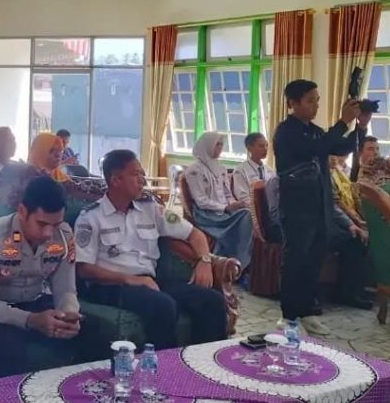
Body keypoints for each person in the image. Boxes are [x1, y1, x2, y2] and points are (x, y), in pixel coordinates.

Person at [76, 149, 228, 348]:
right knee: (163, 306)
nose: (142, 179)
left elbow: (195, 234)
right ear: (115, 180)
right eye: (135, 174)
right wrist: (130, 279)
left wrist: (205, 261)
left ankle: (203, 361)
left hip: (150, 281)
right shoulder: (90, 217)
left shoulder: (151, 209)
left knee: (212, 301)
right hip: (111, 286)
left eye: (142, 173)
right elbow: (84, 269)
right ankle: (168, 365)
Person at [273, 79, 362, 337]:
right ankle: (288, 314)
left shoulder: (314, 130)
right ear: (293, 103)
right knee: (296, 259)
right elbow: (316, 149)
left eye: (317, 100)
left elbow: (341, 147)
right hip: (297, 207)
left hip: (320, 204)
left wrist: (360, 125)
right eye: (310, 100)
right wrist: (343, 121)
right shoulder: (286, 131)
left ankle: (308, 311)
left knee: (314, 259)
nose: (315, 106)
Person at [0, 176, 80, 379]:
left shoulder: (64, 235)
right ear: (22, 211)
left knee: (94, 332)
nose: (49, 233)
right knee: (6, 348)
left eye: (56, 224)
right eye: (42, 224)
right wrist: (30, 320)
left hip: (38, 303)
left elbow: (65, 290)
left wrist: (68, 316)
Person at [183, 133, 253, 270]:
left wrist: (234, 204)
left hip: (223, 211)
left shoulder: (220, 168)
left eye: (221, 145)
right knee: (245, 218)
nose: (220, 148)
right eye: (217, 145)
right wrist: (225, 208)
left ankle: (238, 262)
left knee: (246, 213)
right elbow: (201, 201)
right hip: (206, 214)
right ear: (207, 145)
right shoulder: (194, 170)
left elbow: (227, 193)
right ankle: (234, 262)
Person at [327, 155, 372, 309]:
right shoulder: (319, 175)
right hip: (317, 225)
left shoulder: (336, 174)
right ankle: (346, 293)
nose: (334, 159)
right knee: (354, 240)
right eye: (330, 155)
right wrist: (351, 223)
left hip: (331, 222)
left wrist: (352, 223)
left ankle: (357, 288)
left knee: (359, 236)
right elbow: (332, 205)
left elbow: (336, 205)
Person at [231, 132, 275, 205]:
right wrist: (258, 207)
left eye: (266, 145)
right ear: (249, 148)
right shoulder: (240, 170)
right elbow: (242, 197)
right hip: (251, 208)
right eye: (261, 146)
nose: (265, 149)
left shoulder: (269, 171)